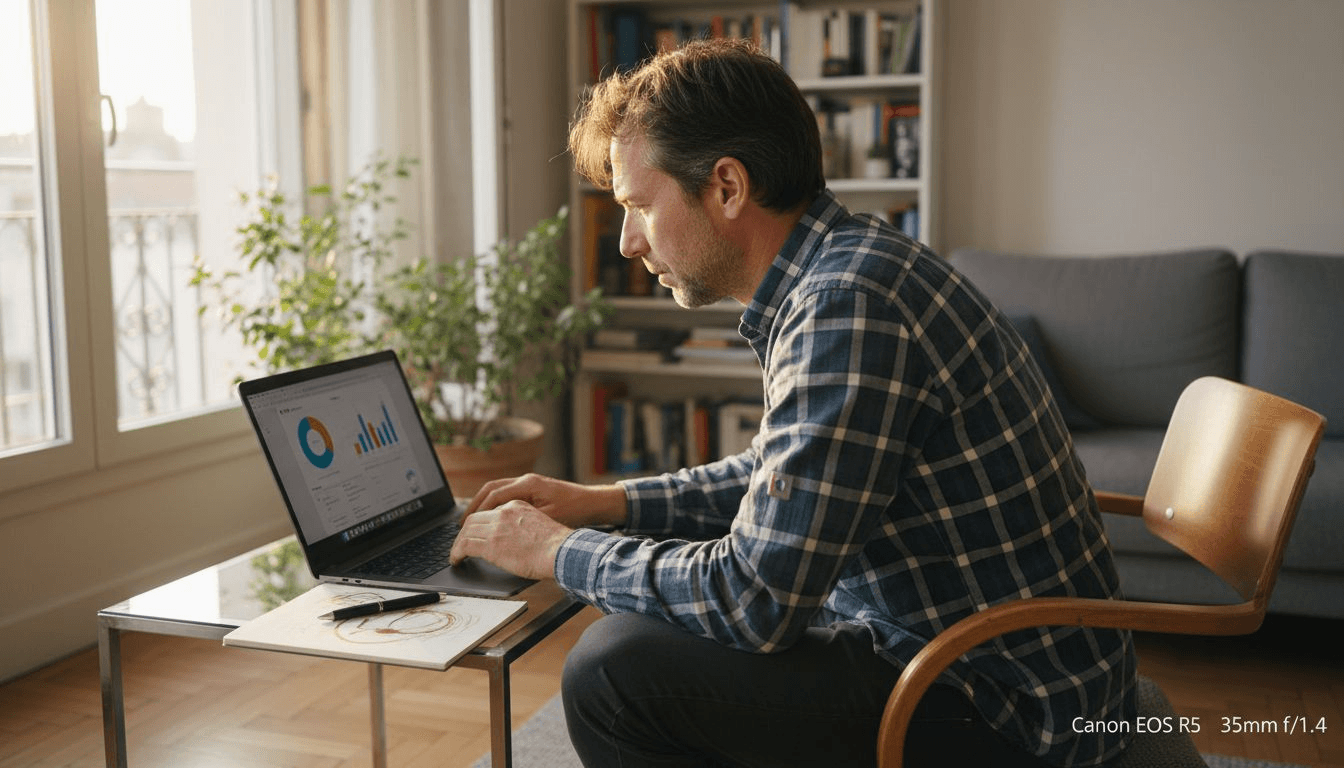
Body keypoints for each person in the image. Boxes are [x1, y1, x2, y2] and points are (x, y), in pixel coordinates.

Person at [448, 38, 1136, 767]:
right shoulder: (849, 265)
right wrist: (606, 503)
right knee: (639, 640)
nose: (626, 243)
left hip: (1006, 711)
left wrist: (556, 550)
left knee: (611, 673)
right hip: (964, 657)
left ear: (727, 187)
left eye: (639, 206)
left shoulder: (845, 305)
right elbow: (785, 476)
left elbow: (753, 604)